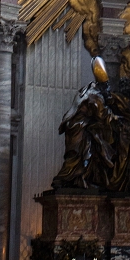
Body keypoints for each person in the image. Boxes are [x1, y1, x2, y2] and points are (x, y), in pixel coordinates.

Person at [52, 58, 118, 190]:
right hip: (80, 128)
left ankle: (79, 180)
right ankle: (67, 179)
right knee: (80, 155)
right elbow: (102, 115)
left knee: (78, 154)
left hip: (74, 126)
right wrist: (115, 117)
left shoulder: (87, 88)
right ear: (103, 86)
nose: (108, 89)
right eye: (107, 86)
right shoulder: (96, 95)